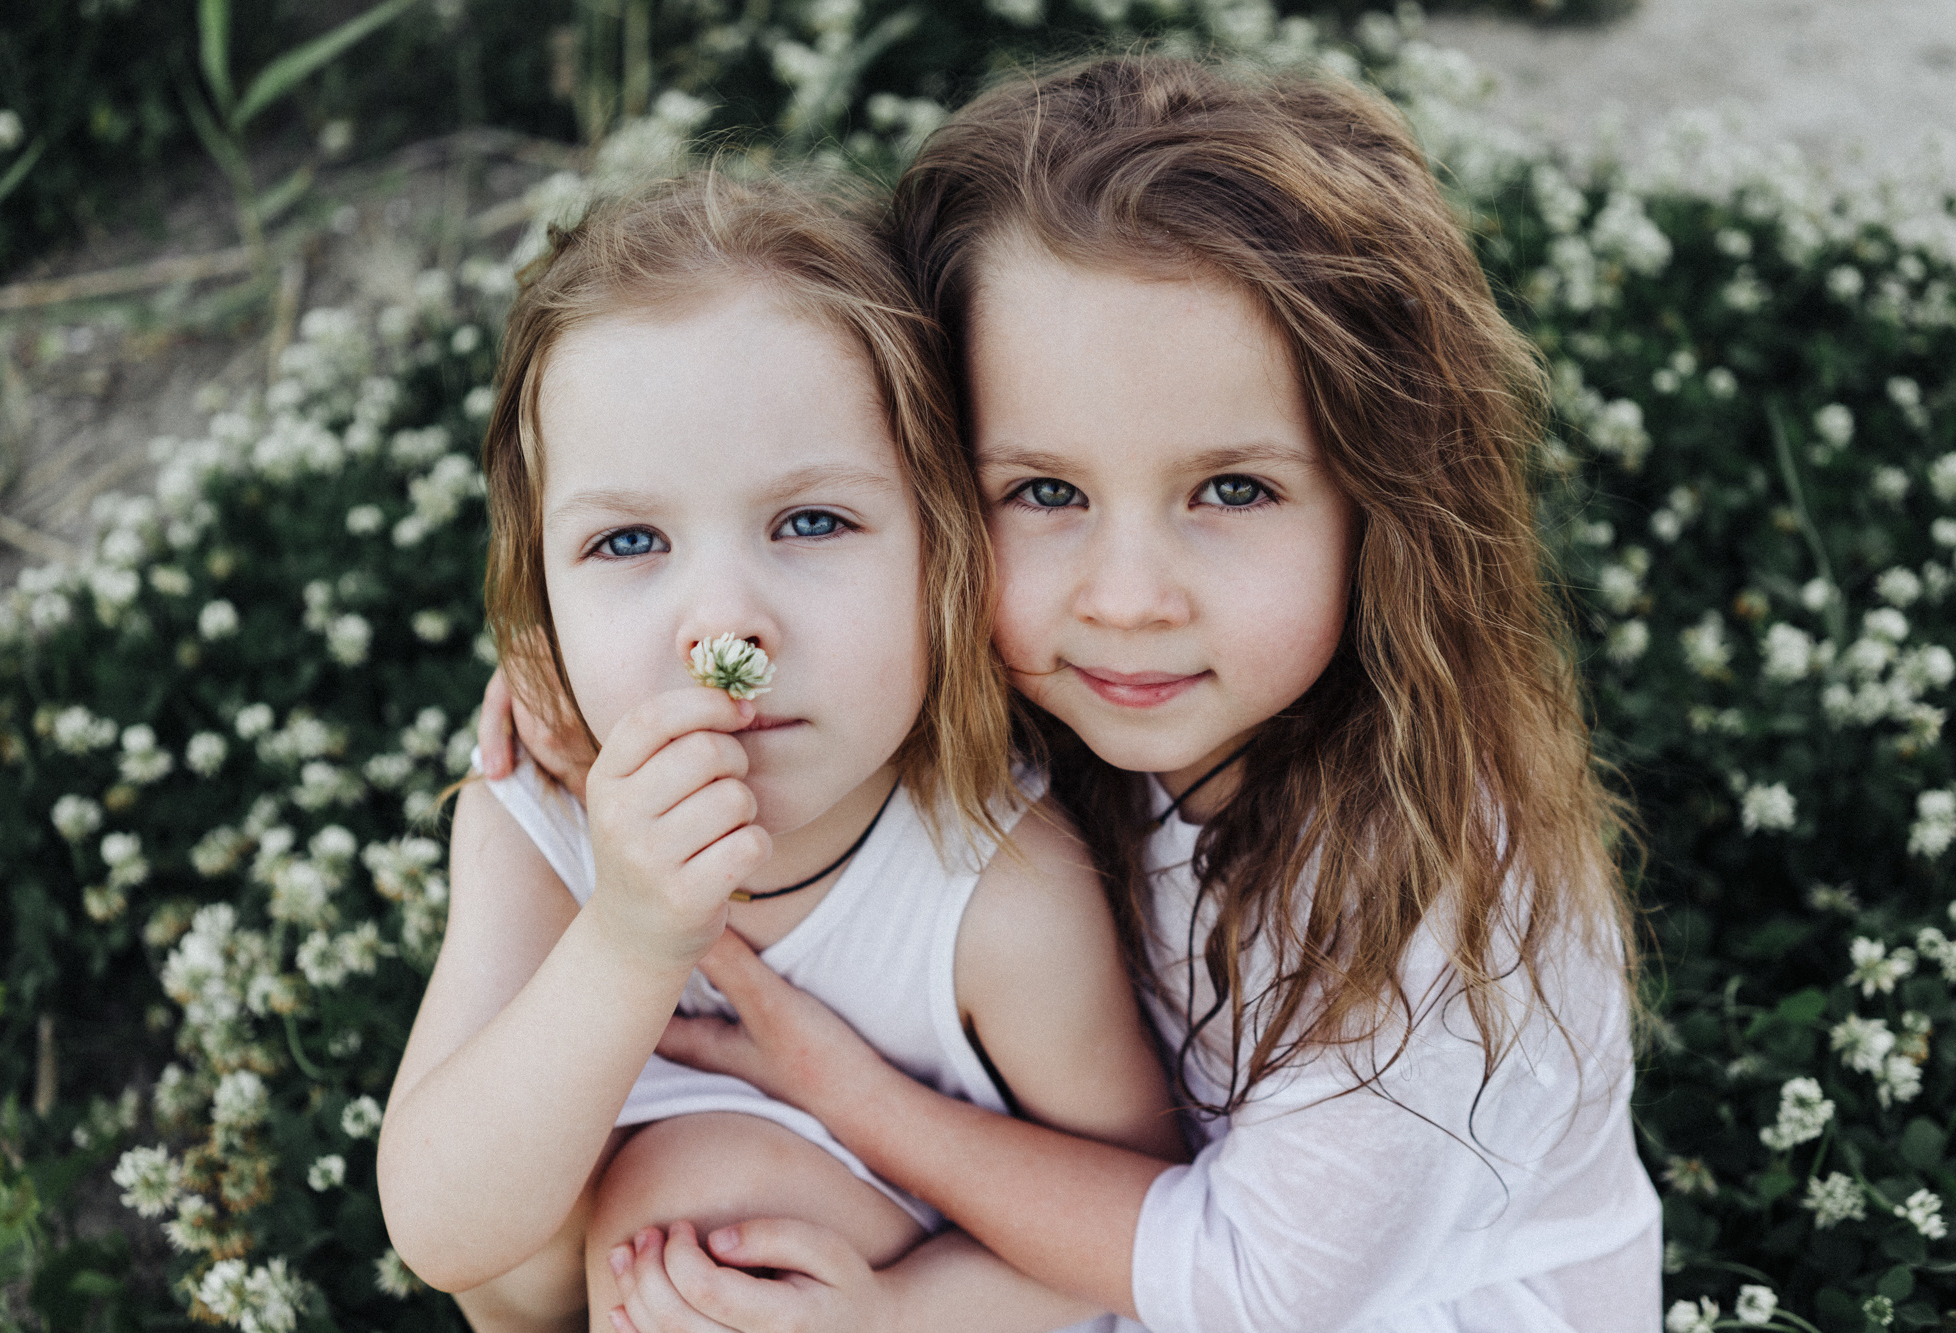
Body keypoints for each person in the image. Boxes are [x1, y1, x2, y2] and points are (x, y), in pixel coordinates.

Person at [484, 53, 1662, 1333]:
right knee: (678, 1223)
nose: (1127, 596)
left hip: (1369, 1308)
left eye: (1232, 489)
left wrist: (857, 1121)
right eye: (1043, 492)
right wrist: (597, 661)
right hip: (1104, 1246)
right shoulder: (1076, 675)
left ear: (1386, 502)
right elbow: (737, 471)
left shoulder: (1439, 883)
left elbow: (1252, 1283)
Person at [378, 171, 1187, 1333]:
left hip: (916, 1297)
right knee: (542, 1195)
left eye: (810, 522)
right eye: (626, 540)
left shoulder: (993, 886)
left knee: (702, 1214)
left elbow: (1146, 1236)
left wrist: (895, 1316)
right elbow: (447, 1233)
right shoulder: (536, 817)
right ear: (538, 601)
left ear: (942, 548)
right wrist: (628, 936)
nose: (722, 629)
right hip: (602, 1286)